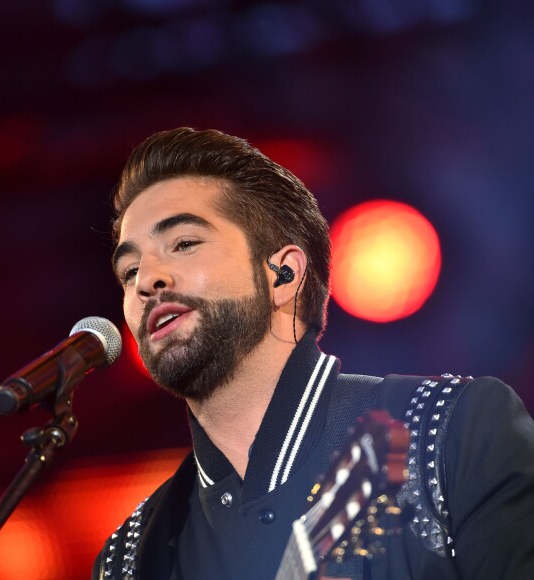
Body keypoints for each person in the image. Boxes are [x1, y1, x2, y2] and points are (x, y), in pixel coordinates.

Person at [93, 127, 534, 580]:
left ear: (283, 276)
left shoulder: (451, 433)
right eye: (129, 270)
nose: (147, 280)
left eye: (184, 244)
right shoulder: (128, 560)